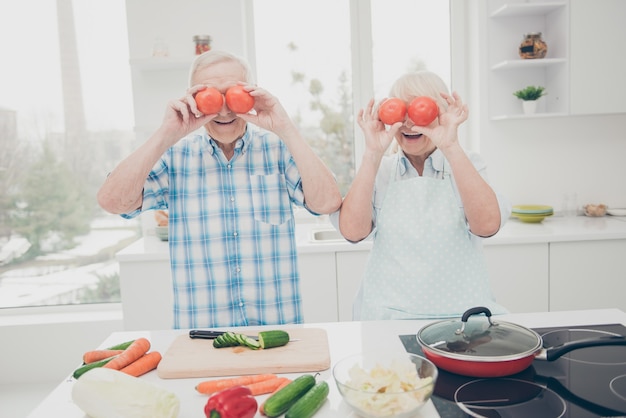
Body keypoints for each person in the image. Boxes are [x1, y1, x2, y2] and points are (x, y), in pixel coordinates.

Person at [97, 50, 342, 329]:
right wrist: (166, 133)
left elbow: (328, 203)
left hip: (277, 331)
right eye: (211, 97)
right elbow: (113, 201)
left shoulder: (278, 149)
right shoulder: (176, 156)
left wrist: (286, 128)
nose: (224, 110)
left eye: (233, 95)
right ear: (192, 98)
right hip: (204, 336)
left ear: (251, 94)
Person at [333, 71, 511, 320]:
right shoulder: (380, 171)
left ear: (439, 114)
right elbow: (353, 232)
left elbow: (487, 225)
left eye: (418, 110)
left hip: (461, 318)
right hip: (388, 317)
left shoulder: (465, 164)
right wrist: (373, 152)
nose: (407, 123)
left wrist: (450, 145)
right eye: (398, 111)